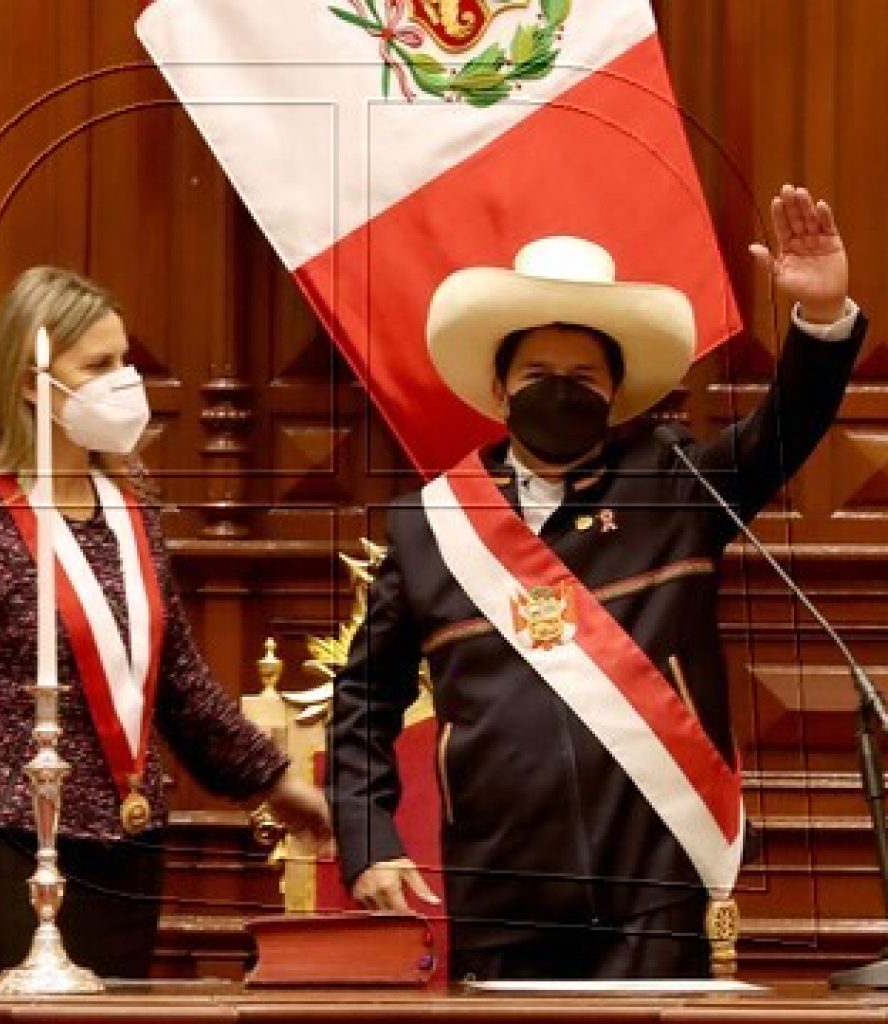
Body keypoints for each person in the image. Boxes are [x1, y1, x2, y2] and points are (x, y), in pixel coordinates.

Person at [327, 185, 867, 980]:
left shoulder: (677, 480)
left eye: (583, 376)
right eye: (539, 371)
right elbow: (364, 695)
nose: (561, 389)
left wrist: (821, 321)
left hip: (656, 878)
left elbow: (787, 426)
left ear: (613, 394)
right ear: (501, 387)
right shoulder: (431, 524)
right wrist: (369, 837)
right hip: (500, 883)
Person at [0, 266, 331, 982]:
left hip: (127, 839)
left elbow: (178, 680)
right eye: (97, 365)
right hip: (7, 843)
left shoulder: (131, 504)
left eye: (124, 360)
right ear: (33, 382)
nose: (123, 381)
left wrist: (276, 783)